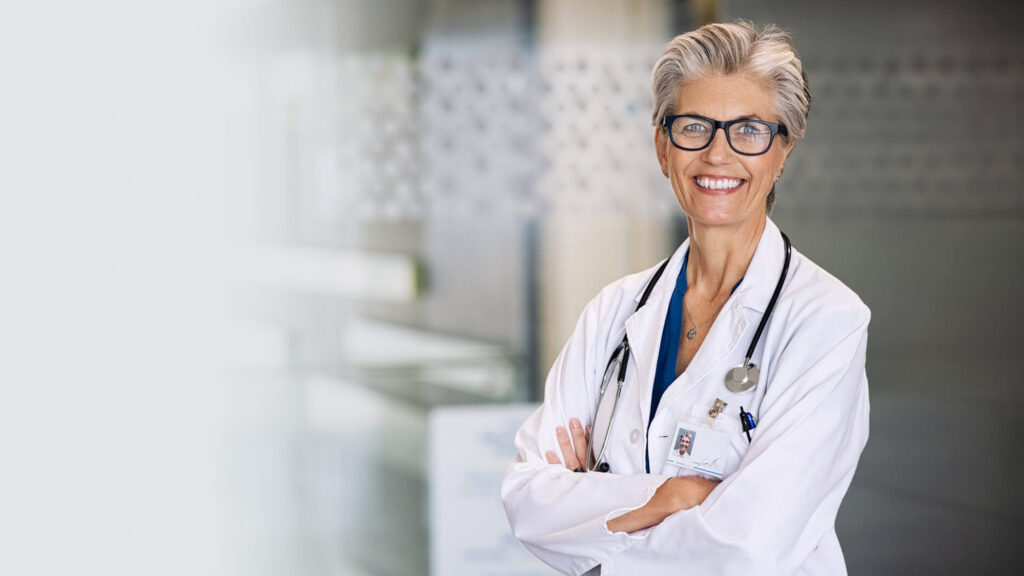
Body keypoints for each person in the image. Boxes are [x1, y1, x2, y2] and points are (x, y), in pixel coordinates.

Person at [501, 20, 871, 576]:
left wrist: (598, 510)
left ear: (783, 151)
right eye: (695, 127)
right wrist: (670, 498)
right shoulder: (615, 310)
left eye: (748, 130)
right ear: (662, 147)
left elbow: (750, 546)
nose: (718, 155)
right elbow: (528, 499)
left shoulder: (825, 321)